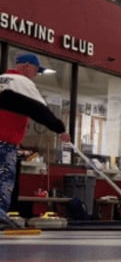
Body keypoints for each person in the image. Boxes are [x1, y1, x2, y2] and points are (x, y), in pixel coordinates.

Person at [0, 54, 70, 230]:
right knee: (4, 179)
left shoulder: (2, 79)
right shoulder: (21, 82)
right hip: (4, 141)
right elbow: (39, 109)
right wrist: (59, 128)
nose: (36, 74)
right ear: (25, 66)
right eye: (35, 70)